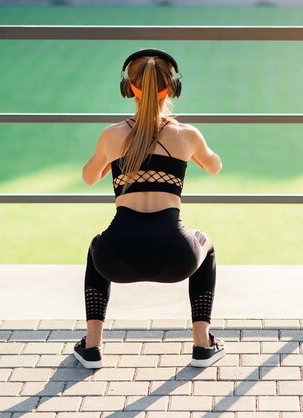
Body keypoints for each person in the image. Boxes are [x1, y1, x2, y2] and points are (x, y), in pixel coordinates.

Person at [74, 49, 225, 369]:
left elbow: (89, 177)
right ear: (172, 89)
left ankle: (92, 346)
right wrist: (186, 153)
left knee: (95, 245)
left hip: (115, 258)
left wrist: (114, 160)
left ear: (129, 88)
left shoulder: (112, 135)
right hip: (176, 259)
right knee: (206, 244)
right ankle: (202, 344)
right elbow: (215, 166)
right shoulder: (186, 134)